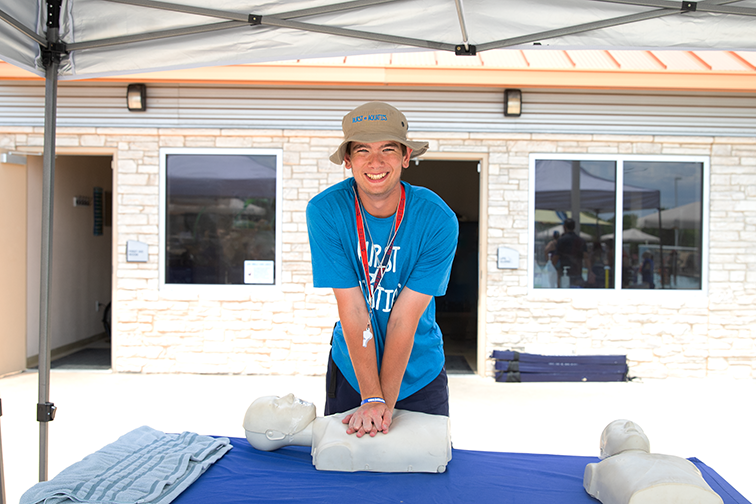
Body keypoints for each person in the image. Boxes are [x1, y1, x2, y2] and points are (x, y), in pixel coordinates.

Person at [306, 101, 458, 439]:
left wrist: (380, 404)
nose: (376, 162)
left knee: (423, 479)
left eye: (388, 149)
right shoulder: (326, 211)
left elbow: (405, 316)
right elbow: (353, 306)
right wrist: (371, 396)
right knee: (347, 477)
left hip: (420, 370)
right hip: (352, 368)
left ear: (406, 156)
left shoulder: (437, 219)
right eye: (362, 150)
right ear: (348, 160)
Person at [243, 394, 452, 473]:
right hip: (433, 445)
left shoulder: (336, 422)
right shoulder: (331, 448)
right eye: (276, 405)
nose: (289, 396)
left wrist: (375, 399)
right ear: (274, 435)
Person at [583, 420, 723, 504]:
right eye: (617, 427)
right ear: (603, 450)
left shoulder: (682, 461)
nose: (630, 424)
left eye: (640, 429)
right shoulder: (597, 469)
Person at [554, 218, 592, 287]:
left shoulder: (561, 240)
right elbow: (586, 257)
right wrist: (590, 271)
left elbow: (556, 257)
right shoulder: (581, 240)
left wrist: (551, 267)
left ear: (564, 227)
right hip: (577, 271)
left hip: (564, 272)